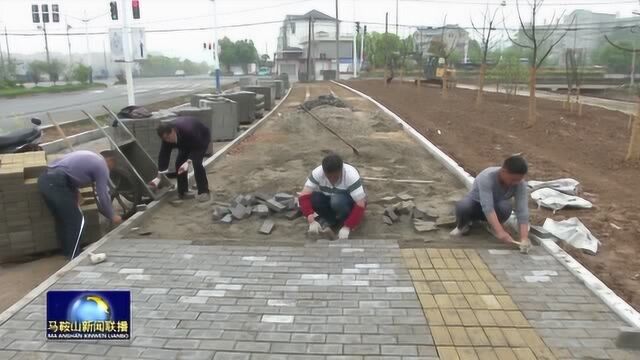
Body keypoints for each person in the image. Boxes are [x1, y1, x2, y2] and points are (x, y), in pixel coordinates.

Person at [38, 150, 122, 260]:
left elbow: (67, 170)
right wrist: (112, 215)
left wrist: (75, 192)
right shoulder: (102, 165)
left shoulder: (90, 155)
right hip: (57, 183)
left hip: (45, 179)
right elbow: (103, 195)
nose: (111, 169)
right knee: (76, 220)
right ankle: (74, 256)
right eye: (113, 166)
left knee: (62, 219)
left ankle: (69, 251)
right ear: (110, 160)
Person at [450, 155, 530, 248]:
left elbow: (522, 210)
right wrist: (500, 232)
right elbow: (488, 207)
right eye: (513, 179)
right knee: (463, 206)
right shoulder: (487, 177)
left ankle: (491, 225)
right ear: (503, 171)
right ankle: (463, 225)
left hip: (495, 207)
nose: (516, 183)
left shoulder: (519, 183)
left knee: (505, 207)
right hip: (475, 204)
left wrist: (524, 238)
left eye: (519, 179)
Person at [298, 154, 366, 240]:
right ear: (324, 171)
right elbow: (304, 196)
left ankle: (344, 221)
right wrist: (310, 219)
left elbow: (361, 204)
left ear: (341, 170)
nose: (332, 179)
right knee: (314, 199)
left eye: (336, 176)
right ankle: (331, 220)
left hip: (347, 201)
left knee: (337, 201)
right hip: (328, 197)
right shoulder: (318, 173)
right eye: (329, 176)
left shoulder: (351, 175)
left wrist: (348, 226)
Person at [150, 116, 211, 202]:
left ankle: (204, 191)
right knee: (179, 163)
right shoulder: (166, 139)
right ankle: (183, 192)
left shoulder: (188, 131)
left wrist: (188, 162)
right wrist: (159, 177)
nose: (168, 140)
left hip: (200, 139)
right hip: (184, 141)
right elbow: (164, 155)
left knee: (197, 163)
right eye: (165, 139)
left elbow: (196, 148)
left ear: (173, 131)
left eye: (168, 137)